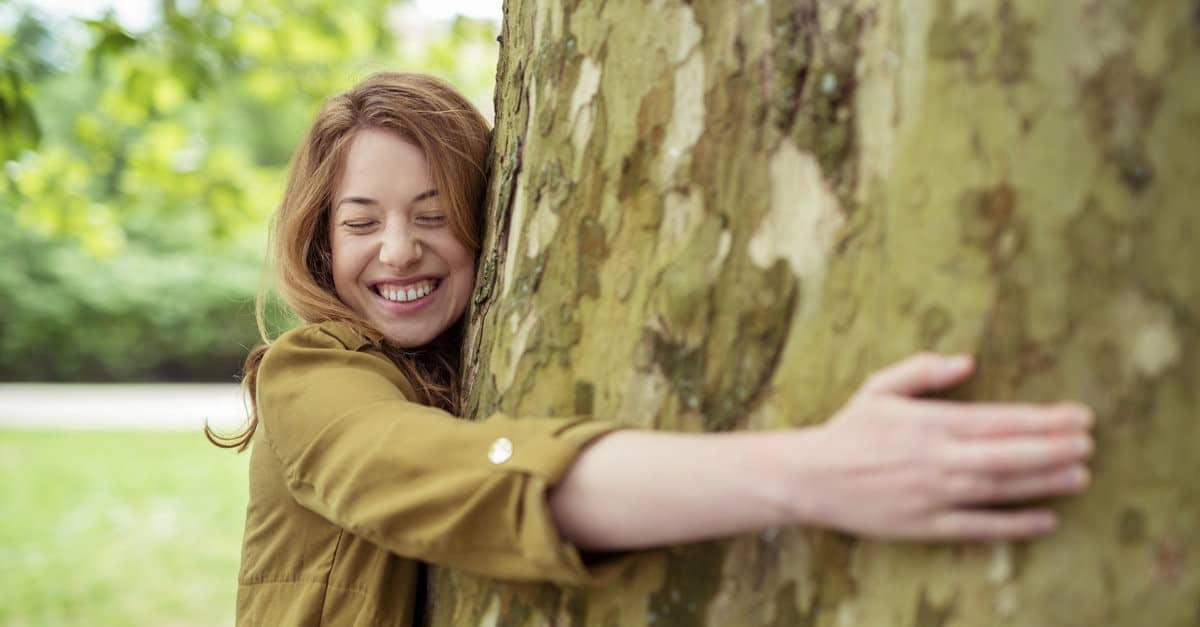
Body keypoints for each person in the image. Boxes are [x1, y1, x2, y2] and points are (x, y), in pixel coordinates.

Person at [208, 72, 1094, 626]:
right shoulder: (309, 376)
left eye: (435, 215)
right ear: (321, 243)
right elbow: (431, 469)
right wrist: (819, 470)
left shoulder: (471, 363)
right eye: (362, 223)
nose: (398, 250)